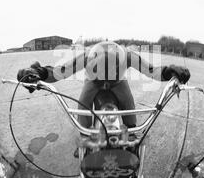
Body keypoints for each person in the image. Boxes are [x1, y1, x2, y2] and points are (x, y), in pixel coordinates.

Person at [17, 41, 190, 128]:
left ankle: (129, 131)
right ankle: (86, 136)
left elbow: (59, 72)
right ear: (91, 63)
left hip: (110, 82)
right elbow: (59, 71)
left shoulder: (126, 55)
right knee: (83, 105)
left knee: (128, 106)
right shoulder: (89, 56)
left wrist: (169, 71)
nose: (105, 81)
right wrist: (39, 73)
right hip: (101, 82)